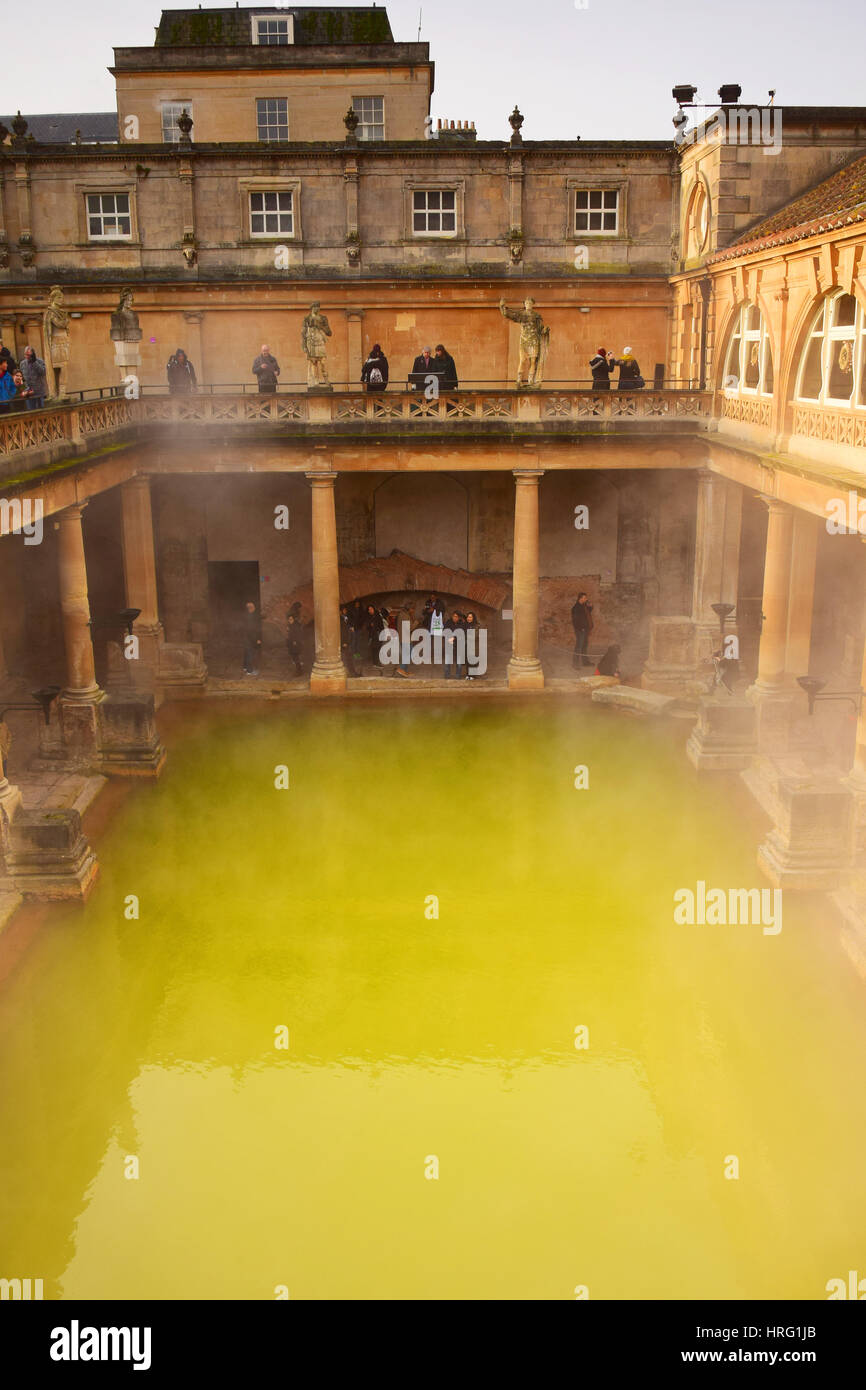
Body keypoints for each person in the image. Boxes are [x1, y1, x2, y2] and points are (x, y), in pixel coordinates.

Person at [571, 591, 593, 668]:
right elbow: (575, 621)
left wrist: (590, 606)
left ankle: (585, 662)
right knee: (579, 646)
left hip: (585, 629)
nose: (586, 599)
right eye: (585, 598)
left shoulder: (584, 606)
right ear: (580, 598)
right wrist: (581, 628)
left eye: (586, 597)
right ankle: (575, 664)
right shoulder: (576, 608)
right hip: (580, 630)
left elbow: (587, 613)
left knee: (584, 646)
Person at [242, 600, 262, 676]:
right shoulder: (251, 617)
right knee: (250, 653)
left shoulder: (248, 615)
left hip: (246, 637)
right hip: (250, 637)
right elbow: (253, 630)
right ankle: (249, 671)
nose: (254, 608)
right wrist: (257, 639)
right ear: (250, 608)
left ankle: (245, 667)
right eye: (252, 607)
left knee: (246, 652)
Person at [445, 609, 465, 679]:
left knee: (458, 662)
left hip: (458, 645)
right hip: (449, 644)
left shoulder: (462, 624)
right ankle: (447, 675)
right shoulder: (448, 622)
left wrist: (454, 637)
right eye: (454, 616)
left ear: (459, 617)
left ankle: (457, 675)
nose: (455, 618)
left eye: (456, 616)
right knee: (448, 661)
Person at [339, 605, 359, 677]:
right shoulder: (339, 619)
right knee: (348, 658)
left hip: (347, 641)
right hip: (344, 642)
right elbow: (341, 631)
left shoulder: (345, 618)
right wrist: (344, 642)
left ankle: (352, 672)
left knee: (348, 658)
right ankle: (352, 673)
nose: (345, 611)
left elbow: (345, 628)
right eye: (344, 610)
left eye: (345, 610)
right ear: (340, 611)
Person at [464, 610, 481, 680]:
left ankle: (473, 675)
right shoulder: (465, 625)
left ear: (473, 618)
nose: (469, 618)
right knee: (468, 661)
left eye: (470, 617)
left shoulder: (476, 625)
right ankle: (468, 674)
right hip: (467, 645)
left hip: (474, 646)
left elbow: (475, 635)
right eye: (468, 617)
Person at [286, 611, 304, 677]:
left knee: (296, 658)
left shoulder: (296, 626)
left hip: (295, 645)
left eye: (291, 619)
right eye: (289, 619)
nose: (290, 621)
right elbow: (289, 634)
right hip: (291, 644)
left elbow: (298, 635)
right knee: (294, 658)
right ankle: (298, 670)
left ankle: (299, 671)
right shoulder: (290, 625)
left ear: (293, 619)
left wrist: (295, 641)